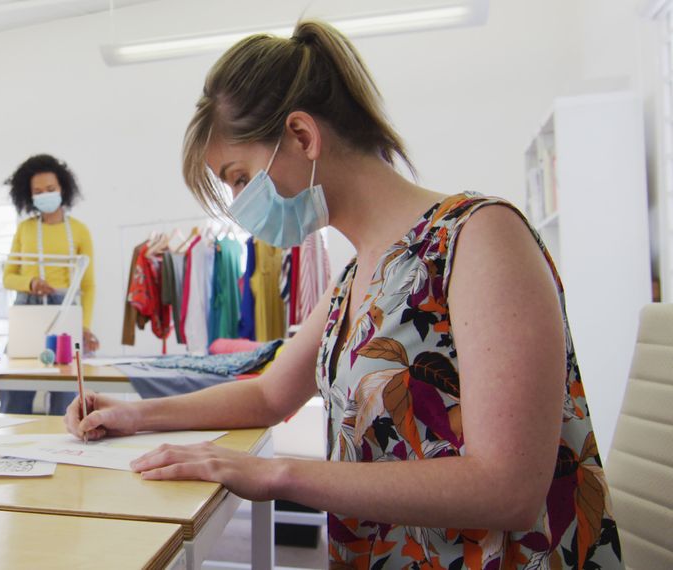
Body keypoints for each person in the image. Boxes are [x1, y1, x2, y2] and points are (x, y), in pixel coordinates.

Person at [66, 21, 621, 569]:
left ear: (303, 137)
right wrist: (135, 416)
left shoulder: (479, 238)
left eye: (239, 178)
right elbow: (267, 396)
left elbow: (508, 488)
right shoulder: (354, 276)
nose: (239, 203)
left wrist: (278, 474)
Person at [1, 154, 96, 415]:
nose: (45, 195)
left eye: (50, 189)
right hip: (26, 309)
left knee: (66, 391)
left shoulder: (80, 230)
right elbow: (8, 276)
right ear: (28, 195)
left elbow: (88, 285)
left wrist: (84, 325)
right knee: (16, 386)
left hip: (65, 310)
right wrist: (30, 283)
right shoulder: (25, 229)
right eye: (38, 191)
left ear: (63, 189)